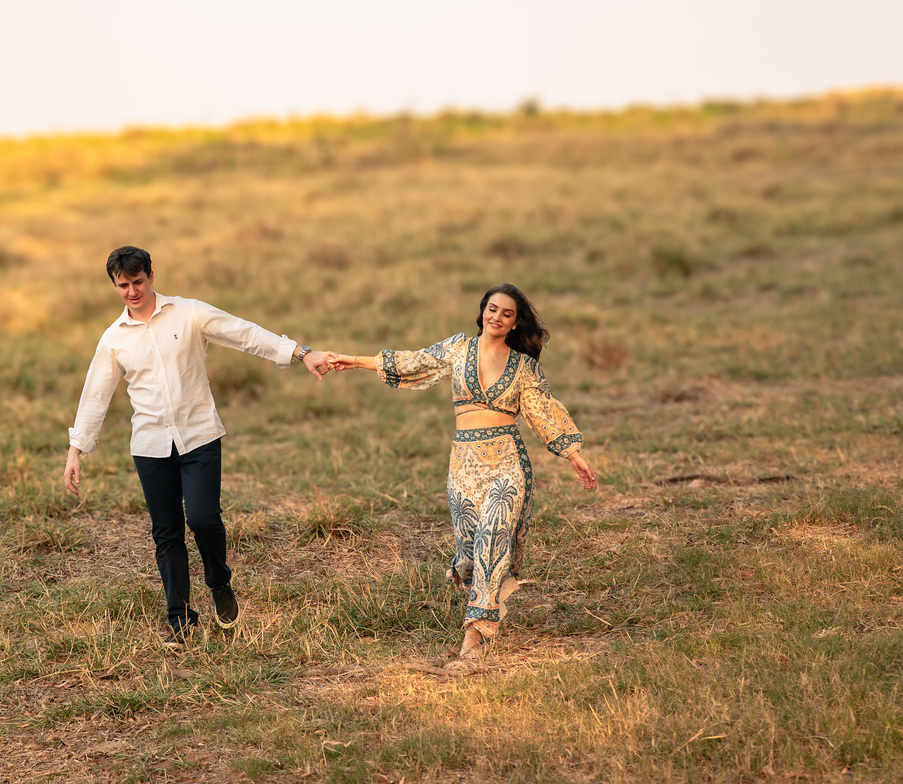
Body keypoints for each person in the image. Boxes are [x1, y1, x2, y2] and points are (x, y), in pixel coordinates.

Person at [64, 245, 332, 647]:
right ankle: (180, 620)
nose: (132, 292)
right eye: (123, 286)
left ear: (151, 276)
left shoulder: (188, 313)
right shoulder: (114, 339)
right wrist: (76, 450)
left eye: (138, 282)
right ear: (114, 286)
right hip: (150, 446)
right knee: (166, 533)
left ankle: (219, 581)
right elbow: (95, 395)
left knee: (204, 519)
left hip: (200, 436)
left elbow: (244, 333)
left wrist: (301, 353)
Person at [325, 284, 597, 665]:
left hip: (507, 463)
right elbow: (413, 362)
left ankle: (475, 636)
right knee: (470, 556)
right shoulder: (458, 349)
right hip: (464, 467)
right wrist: (354, 361)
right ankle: (482, 602)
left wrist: (573, 454)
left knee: (492, 539)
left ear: (515, 323)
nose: (497, 317)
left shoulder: (524, 367)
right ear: (482, 311)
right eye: (492, 309)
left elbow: (543, 412)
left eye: (507, 314)